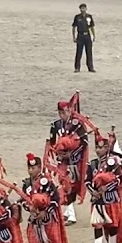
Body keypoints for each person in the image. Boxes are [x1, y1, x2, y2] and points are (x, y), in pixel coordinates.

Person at [86, 130, 122, 243]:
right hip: (97, 199)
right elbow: (87, 181)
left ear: (107, 148)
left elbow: (120, 179)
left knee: (112, 223)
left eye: (101, 147)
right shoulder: (92, 164)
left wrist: (106, 188)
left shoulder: (114, 162)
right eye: (97, 147)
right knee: (97, 223)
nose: (98, 150)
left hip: (111, 198)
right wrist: (95, 192)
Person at [20, 153, 69, 243]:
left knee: (52, 242)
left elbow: (55, 199)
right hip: (34, 219)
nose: (31, 171)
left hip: (49, 218)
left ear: (39, 168)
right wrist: (30, 209)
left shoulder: (47, 182)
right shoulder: (26, 184)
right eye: (29, 168)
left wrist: (45, 212)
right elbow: (24, 200)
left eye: (33, 168)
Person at [46, 94, 92, 225]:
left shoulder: (77, 124)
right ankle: (70, 212)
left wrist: (71, 153)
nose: (62, 115)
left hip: (75, 160)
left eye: (64, 112)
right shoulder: (55, 126)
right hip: (62, 160)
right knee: (64, 183)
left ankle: (70, 212)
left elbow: (84, 142)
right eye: (60, 113)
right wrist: (58, 152)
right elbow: (52, 142)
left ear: (69, 110)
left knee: (71, 185)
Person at [71, 3, 96, 73]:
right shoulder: (77, 17)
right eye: (81, 8)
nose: (83, 9)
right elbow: (73, 27)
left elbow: (92, 27)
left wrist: (94, 35)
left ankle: (90, 67)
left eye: (84, 8)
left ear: (86, 9)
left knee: (89, 52)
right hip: (80, 35)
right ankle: (77, 67)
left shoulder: (89, 17)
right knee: (79, 52)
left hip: (87, 35)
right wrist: (74, 37)